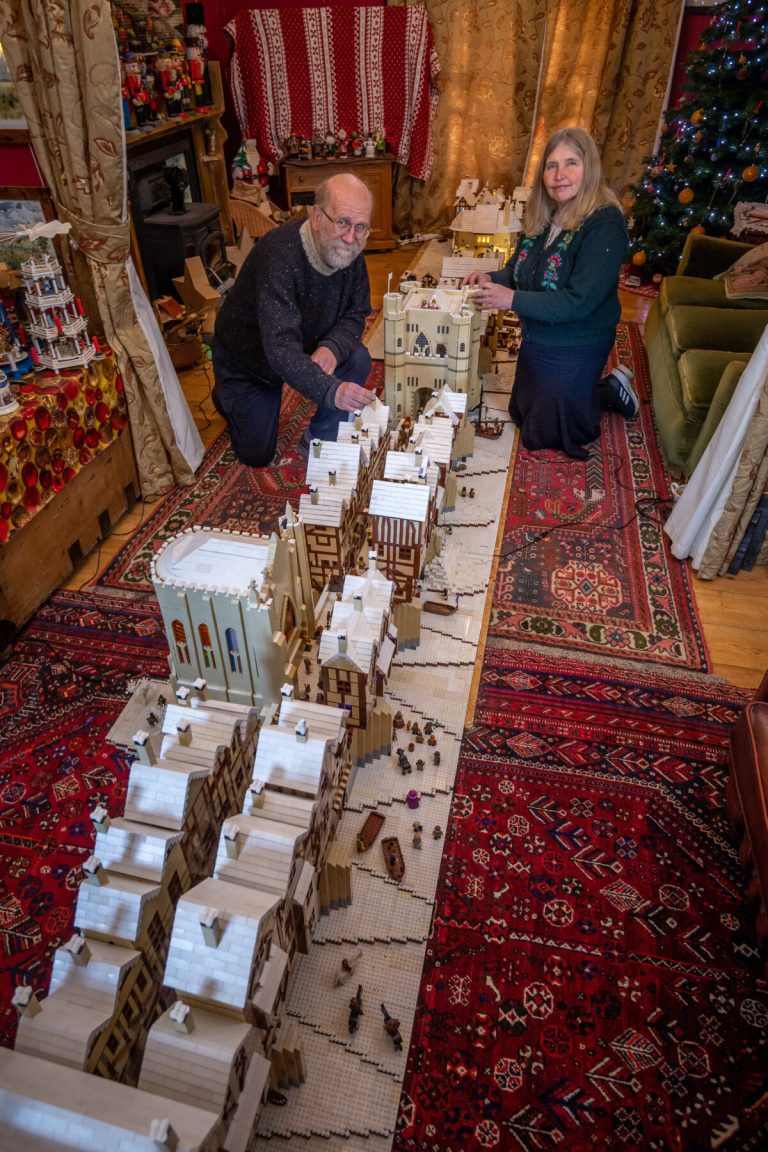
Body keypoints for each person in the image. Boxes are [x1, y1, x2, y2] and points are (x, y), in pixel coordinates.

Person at [465, 127, 638, 460]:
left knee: (550, 433)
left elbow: (578, 301)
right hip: (538, 333)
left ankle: (608, 392)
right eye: (551, 166)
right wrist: (489, 278)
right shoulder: (544, 214)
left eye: (571, 163)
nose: (560, 175)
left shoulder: (605, 223)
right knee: (522, 413)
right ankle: (590, 390)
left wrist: (510, 299)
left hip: (578, 337)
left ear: (589, 167)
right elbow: (519, 271)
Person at [212, 173, 376, 466]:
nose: (351, 238)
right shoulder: (278, 255)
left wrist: (331, 347)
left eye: (360, 227)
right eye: (342, 223)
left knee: (357, 357)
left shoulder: (351, 252)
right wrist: (331, 391)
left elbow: (356, 312)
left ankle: (319, 437)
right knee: (256, 454)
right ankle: (224, 396)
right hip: (251, 360)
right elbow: (280, 348)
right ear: (317, 217)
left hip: (302, 340)